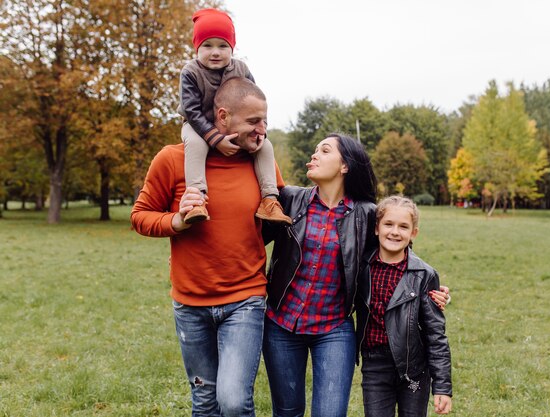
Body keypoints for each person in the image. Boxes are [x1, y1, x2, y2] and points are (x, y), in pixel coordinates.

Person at [261, 134, 451, 417]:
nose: (313, 155)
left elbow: (394, 256)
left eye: (324, 151)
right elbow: (250, 243)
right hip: (281, 325)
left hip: (333, 329)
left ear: (345, 166)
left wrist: (429, 288)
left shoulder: (366, 215)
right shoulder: (289, 199)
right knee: (287, 411)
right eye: (314, 150)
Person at [131, 77, 279, 417]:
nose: (262, 131)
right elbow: (140, 217)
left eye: (265, 122)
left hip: (245, 300)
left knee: (233, 401)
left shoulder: (259, 162)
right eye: (254, 122)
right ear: (223, 117)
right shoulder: (172, 159)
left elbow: (277, 218)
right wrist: (178, 222)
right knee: (205, 402)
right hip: (190, 305)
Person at [177, 8, 290, 225]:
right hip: (198, 124)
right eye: (207, 45)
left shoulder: (241, 69)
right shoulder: (190, 72)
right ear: (196, 47)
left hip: (234, 126)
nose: (215, 52)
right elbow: (191, 110)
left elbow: (256, 101)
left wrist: (260, 130)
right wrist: (215, 139)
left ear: (232, 47)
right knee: (195, 144)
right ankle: (197, 197)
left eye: (223, 46)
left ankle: (269, 200)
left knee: (265, 147)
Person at [356, 196, 453, 417]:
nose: (395, 232)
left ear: (413, 233)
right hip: (375, 365)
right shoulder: (362, 268)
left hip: (414, 368)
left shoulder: (423, 275)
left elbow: (436, 334)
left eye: (403, 227)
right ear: (376, 228)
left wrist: (443, 387)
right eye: (388, 224)